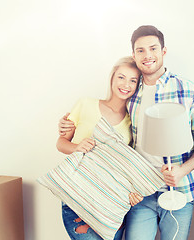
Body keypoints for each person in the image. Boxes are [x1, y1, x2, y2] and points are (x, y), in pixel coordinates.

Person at [59, 25, 194, 240]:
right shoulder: (130, 91)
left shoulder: (187, 89)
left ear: (163, 51)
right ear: (134, 55)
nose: (147, 55)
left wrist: (182, 170)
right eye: (140, 50)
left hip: (180, 189)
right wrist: (68, 126)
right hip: (140, 192)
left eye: (153, 48)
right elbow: (113, 131)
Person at [56, 56, 144, 240]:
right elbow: (61, 143)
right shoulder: (85, 104)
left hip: (111, 202)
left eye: (133, 80)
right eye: (121, 77)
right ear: (112, 78)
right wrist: (78, 147)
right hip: (77, 197)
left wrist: (133, 191)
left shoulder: (132, 121)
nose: (126, 84)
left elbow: (127, 166)